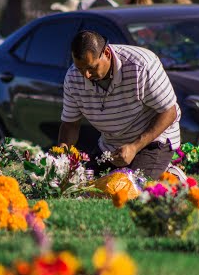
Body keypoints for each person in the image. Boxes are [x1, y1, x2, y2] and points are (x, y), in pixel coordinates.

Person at [58, 30, 182, 180]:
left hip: (154, 140)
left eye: (91, 68)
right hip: (112, 145)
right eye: (80, 69)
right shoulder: (73, 78)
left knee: (132, 187)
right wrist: (61, 156)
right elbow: (70, 125)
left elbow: (169, 112)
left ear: (107, 54)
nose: (86, 76)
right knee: (85, 183)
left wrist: (134, 147)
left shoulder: (142, 65)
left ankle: (171, 175)